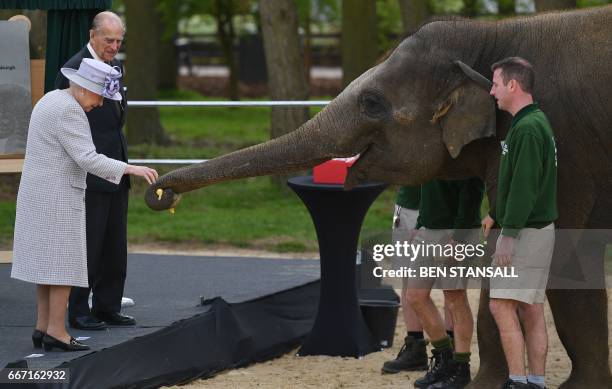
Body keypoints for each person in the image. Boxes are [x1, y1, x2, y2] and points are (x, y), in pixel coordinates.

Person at [11, 58, 158, 351]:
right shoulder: (70, 111)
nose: (101, 103)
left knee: (46, 265)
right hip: (59, 196)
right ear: (84, 88)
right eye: (100, 95)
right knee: (64, 265)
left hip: (39, 193)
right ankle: (56, 331)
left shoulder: (51, 99)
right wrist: (131, 169)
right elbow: (87, 158)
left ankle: (43, 328)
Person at [54, 11, 133, 330]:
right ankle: (77, 309)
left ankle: (107, 305)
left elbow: (115, 115)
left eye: (119, 40)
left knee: (115, 242)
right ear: (92, 35)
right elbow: (67, 118)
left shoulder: (114, 65)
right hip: (88, 167)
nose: (114, 46)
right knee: (88, 243)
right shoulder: (73, 68)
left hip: (116, 164)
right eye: (108, 40)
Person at [483, 57, 557, 389]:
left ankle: (517, 382)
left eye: (495, 84)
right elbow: (519, 181)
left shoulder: (527, 128)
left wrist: (508, 234)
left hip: (526, 232)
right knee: (530, 309)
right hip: (538, 229)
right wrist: (496, 213)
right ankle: (536, 383)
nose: (491, 91)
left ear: (513, 85)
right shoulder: (532, 122)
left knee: (501, 305)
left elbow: (525, 187)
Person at [406, 179, 483, 389]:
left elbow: (473, 190)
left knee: (455, 298)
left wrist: (459, 238)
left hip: (456, 233)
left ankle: (461, 368)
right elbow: (427, 185)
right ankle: (444, 359)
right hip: (428, 229)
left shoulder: (462, 152)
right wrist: (420, 222)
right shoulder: (428, 149)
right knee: (415, 295)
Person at [382, 185, 455, 374]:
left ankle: (453, 350)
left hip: (447, 203)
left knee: (452, 283)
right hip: (408, 205)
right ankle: (415, 347)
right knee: (408, 277)